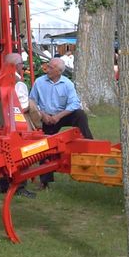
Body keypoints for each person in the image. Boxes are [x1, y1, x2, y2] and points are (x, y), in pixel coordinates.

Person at [29, 57, 93, 189]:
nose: (47, 69)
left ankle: (89, 144)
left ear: (59, 71)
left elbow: (74, 103)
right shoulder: (39, 82)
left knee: (80, 114)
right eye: (48, 66)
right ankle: (45, 181)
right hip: (45, 116)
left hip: (61, 115)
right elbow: (32, 101)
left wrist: (59, 116)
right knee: (45, 145)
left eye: (51, 68)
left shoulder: (67, 84)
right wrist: (43, 115)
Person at [0, 53, 37, 197]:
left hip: (2, 123)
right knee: (24, 154)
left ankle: (2, 184)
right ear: (18, 66)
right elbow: (23, 106)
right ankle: (19, 187)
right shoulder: (19, 84)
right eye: (21, 64)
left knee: (4, 154)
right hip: (18, 125)